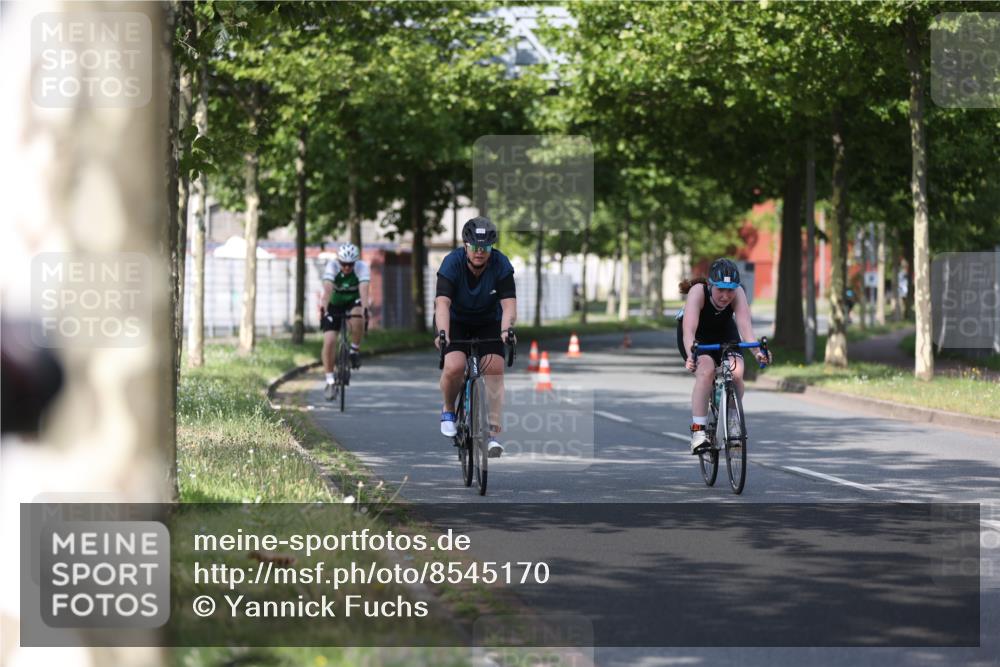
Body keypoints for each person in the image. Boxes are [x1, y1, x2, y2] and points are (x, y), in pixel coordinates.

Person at [434, 216, 516, 458]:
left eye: (486, 248)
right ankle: (449, 409)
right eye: (475, 247)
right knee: (455, 365)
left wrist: (506, 330)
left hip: (489, 321)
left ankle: (490, 433)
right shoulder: (452, 263)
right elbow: (442, 304)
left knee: (495, 367)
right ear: (466, 245)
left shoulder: (501, 264)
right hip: (456, 321)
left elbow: (509, 305)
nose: (480, 252)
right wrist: (443, 334)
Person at [676, 258, 770, 454]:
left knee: (737, 371)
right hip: (697, 336)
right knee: (706, 370)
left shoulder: (739, 293)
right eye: (720, 289)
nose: (726, 296)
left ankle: (733, 421)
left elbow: (745, 328)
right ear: (710, 285)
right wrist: (691, 356)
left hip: (724, 332)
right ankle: (698, 432)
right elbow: (689, 331)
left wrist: (757, 352)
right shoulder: (698, 292)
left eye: (730, 290)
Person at [320, 243, 369, 400]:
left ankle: (354, 350)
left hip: (353, 300)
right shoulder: (332, 267)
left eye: (350, 264)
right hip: (335, 303)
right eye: (344, 264)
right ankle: (329, 381)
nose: (347, 267)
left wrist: (365, 309)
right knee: (329, 341)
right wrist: (324, 311)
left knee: (358, 315)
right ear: (338, 261)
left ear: (355, 262)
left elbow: (364, 290)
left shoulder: (362, 267)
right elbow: (327, 290)